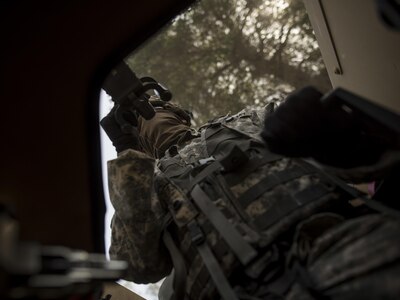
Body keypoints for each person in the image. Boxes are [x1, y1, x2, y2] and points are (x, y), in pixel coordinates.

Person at [101, 88, 400, 300]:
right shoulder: (143, 181)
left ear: (180, 114)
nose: (152, 119)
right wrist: (126, 153)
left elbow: (370, 165)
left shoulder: (249, 121)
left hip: (335, 245)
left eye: (158, 109)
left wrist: (338, 137)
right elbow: (137, 264)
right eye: (140, 126)